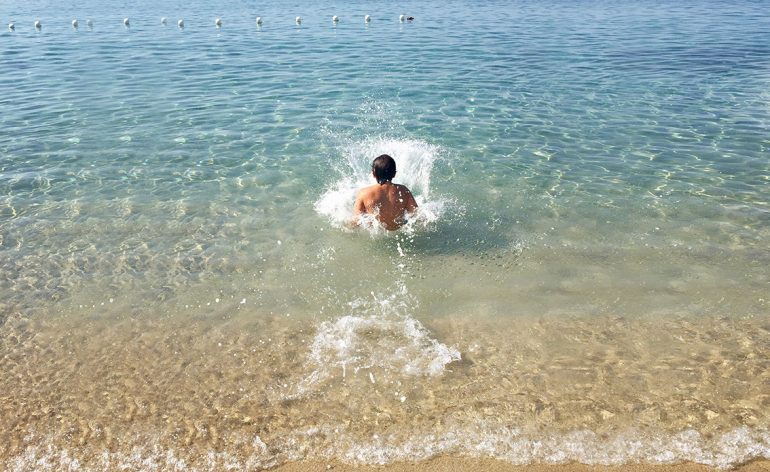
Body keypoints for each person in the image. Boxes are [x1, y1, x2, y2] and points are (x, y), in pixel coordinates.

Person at [352, 154, 418, 230]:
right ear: (394, 174)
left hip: (376, 234)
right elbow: (415, 214)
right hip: (398, 232)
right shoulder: (404, 190)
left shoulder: (364, 193)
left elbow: (355, 221)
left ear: (373, 173)